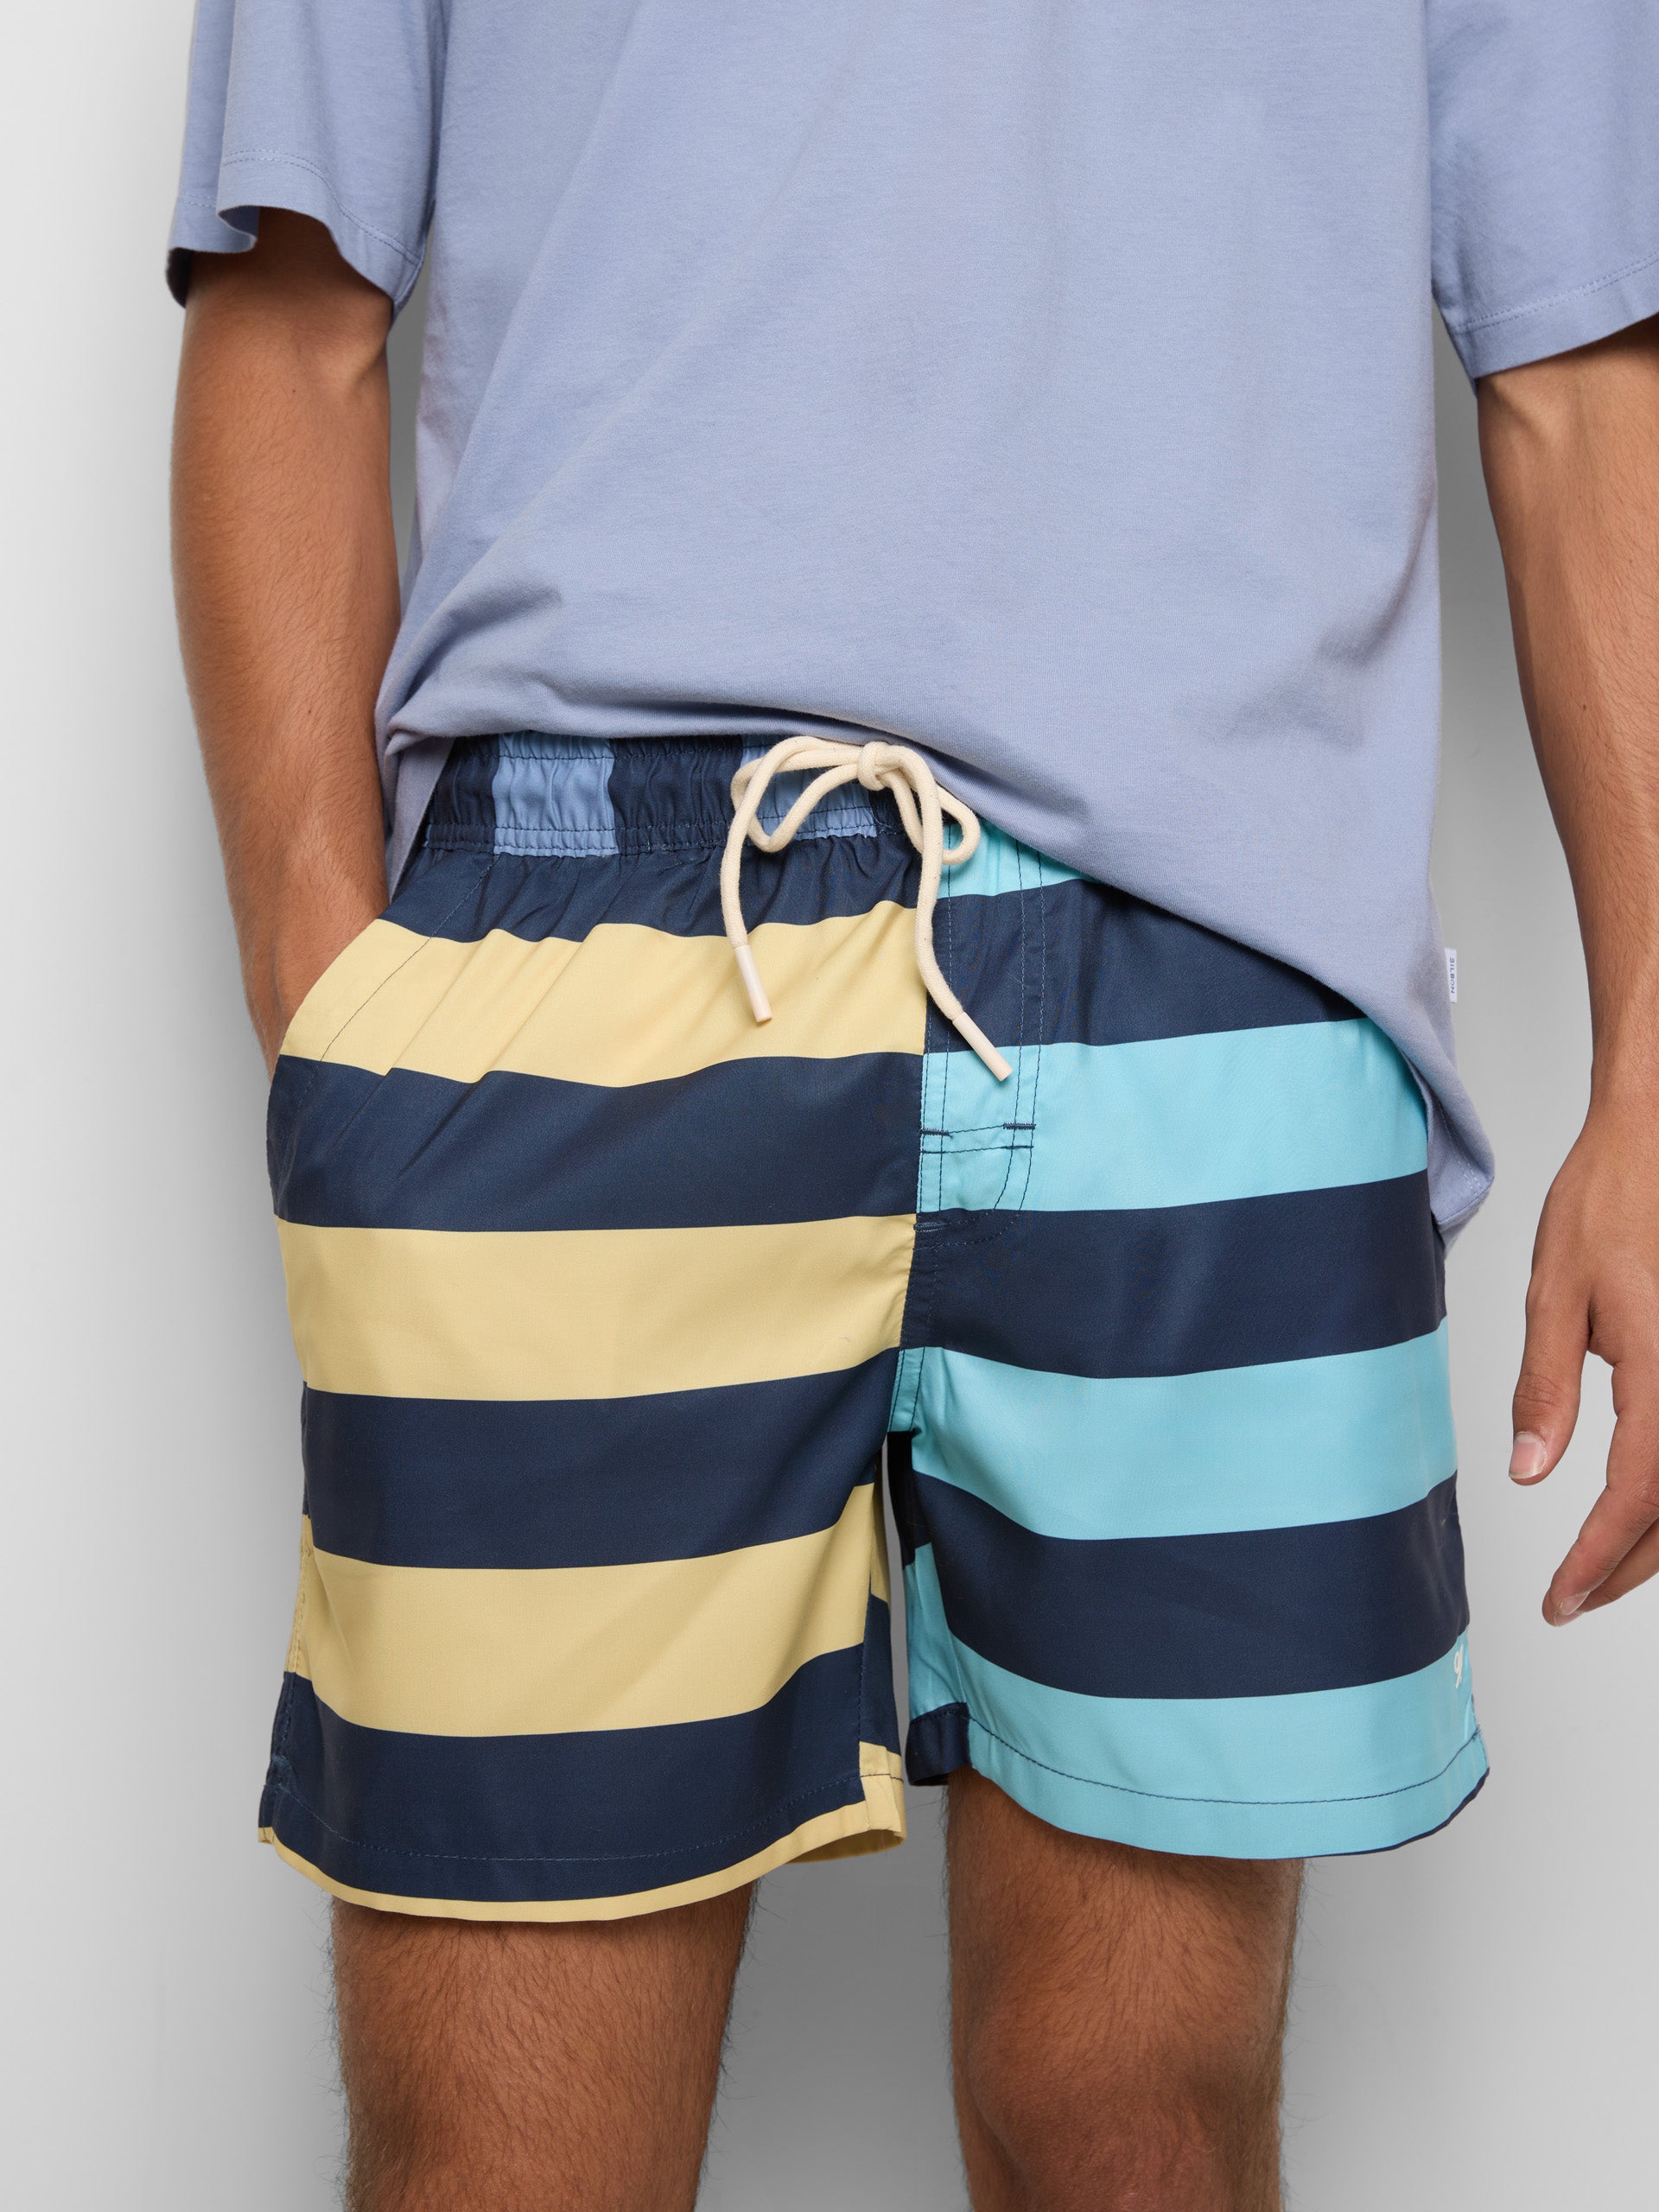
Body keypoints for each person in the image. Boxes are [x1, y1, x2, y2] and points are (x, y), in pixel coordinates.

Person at [167, 5, 1659, 2206]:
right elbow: (291, 303)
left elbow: (1578, 356)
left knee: (1134, 2128)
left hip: (1216, 951)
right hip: (589, 931)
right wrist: (340, 1012)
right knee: (503, 2156)